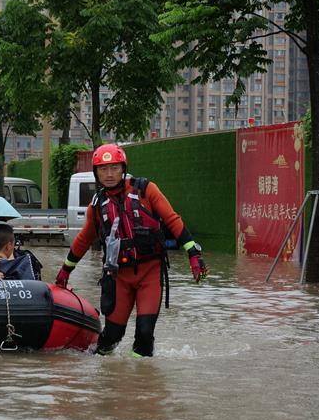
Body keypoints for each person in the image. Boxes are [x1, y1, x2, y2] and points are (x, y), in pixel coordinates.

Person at [54, 143, 208, 357]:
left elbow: (172, 220)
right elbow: (83, 240)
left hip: (150, 272)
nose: (109, 174)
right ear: (96, 173)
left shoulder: (146, 190)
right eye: (103, 169)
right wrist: (65, 271)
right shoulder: (97, 205)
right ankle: (106, 376)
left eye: (114, 168)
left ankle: (139, 381)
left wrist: (194, 254)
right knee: (111, 337)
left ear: (123, 168)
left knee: (144, 334)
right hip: (119, 277)